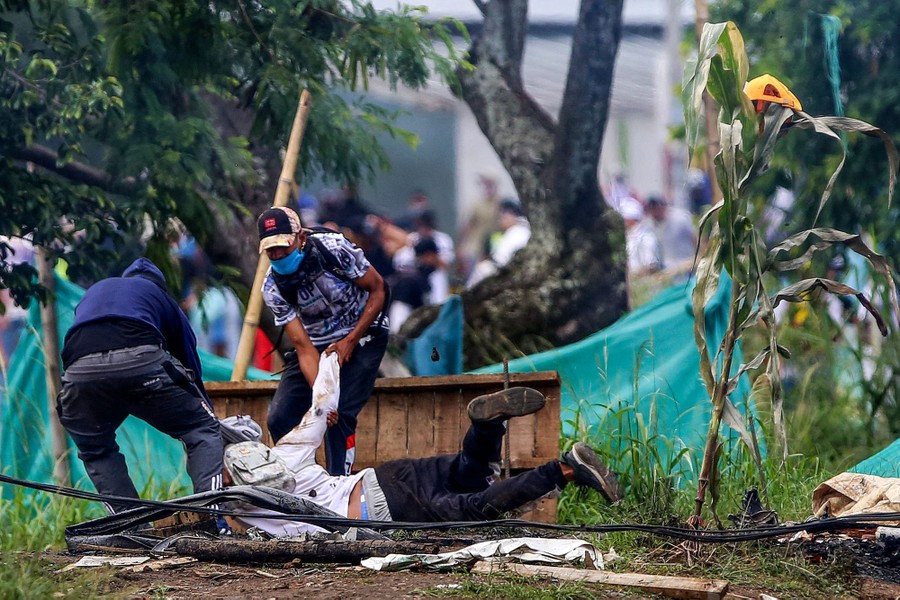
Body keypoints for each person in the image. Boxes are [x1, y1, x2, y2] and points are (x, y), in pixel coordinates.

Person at [230, 372, 621, 537]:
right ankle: (486, 426)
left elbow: (226, 514)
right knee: (472, 473)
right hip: (386, 477)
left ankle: (566, 469)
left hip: (381, 510)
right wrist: (331, 359)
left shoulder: (244, 508)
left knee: (474, 508)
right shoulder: (286, 452)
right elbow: (319, 407)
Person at [56, 257, 224, 513]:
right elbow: (189, 362)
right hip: (141, 360)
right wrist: (205, 414)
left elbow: (78, 342)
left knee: (95, 448)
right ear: (159, 285)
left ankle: (128, 528)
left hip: (80, 372)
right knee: (202, 431)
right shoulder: (159, 296)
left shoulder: (96, 291)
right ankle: (214, 517)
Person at [258, 206, 388, 476]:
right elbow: (304, 348)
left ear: (300, 237)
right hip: (317, 345)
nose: (278, 254)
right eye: (271, 250)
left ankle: (340, 483)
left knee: (340, 417)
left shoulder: (334, 248)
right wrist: (322, 400)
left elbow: (378, 290)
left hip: (364, 332)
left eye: (283, 246)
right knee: (281, 417)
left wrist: (350, 341)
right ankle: (308, 481)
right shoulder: (273, 288)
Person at [466, 198, 531, 288]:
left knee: (482, 270)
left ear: (513, 216)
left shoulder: (517, 233)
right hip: (508, 275)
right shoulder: (517, 231)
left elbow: (500, 262)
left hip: (508, 277)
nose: (501, 219)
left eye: (504, 215)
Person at [645, 195, 697, 276]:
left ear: (663, 207)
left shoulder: (680, 219)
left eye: (656, 209)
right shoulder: (652, 225)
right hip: (668, 270)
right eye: (652, 210)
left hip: (686, 264)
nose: (654, 213)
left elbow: (694, 238)